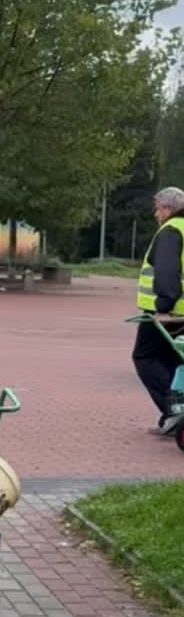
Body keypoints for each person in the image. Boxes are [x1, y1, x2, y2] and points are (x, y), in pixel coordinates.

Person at [133, 186, 184, 434]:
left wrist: (163, 305)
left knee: (146, 357)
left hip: (168, 312)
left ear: (168, 208)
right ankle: (175, 418)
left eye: (158, 208)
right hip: (180, 311)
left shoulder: (171, 231)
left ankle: (175, 414)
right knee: (174, 361)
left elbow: (166, 272)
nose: (156, 214)